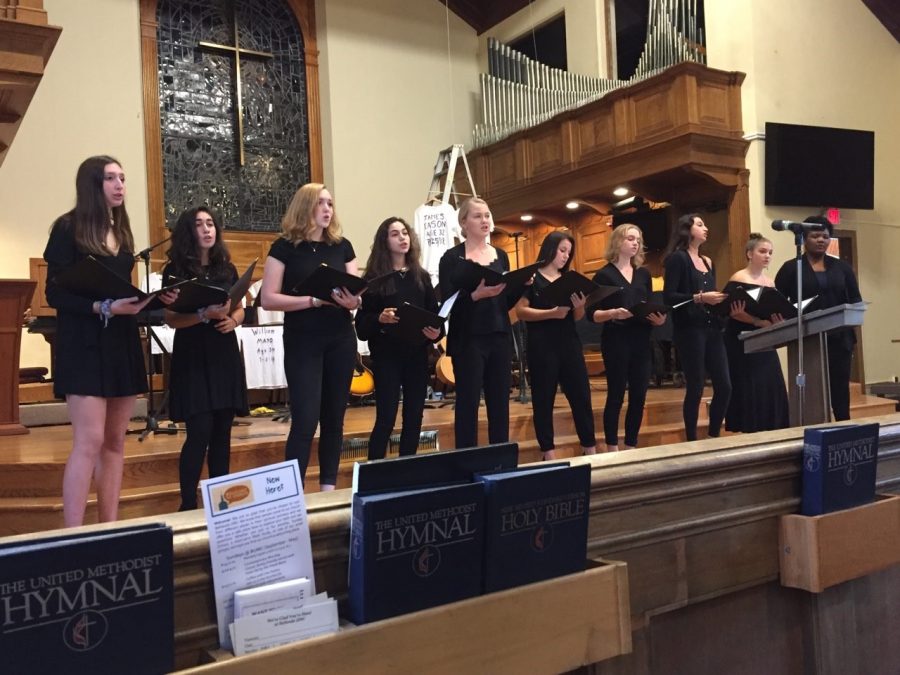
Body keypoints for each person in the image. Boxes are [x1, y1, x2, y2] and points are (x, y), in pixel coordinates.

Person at [43, 155, 178, 527]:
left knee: (115, 443)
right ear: (92, 184)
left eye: (123, 178)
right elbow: (55, 295)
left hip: (119, 342)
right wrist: (102, 306)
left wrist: (149, 301)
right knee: (88, 442)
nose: (120, 185)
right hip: (83, 344)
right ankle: (71, 533)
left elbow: (122, 295)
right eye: (110, 178)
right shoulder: (67, 228)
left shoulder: (123, 233)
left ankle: (109, 527)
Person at [260, 183, 361, 490]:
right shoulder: (284, 247)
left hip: (340, 337)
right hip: (303, 339)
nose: (328, 209)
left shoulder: (342, 246)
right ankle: (294, 491)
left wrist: (353, 301)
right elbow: (268, 299)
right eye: (321, 203)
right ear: (305, 207)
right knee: (305, 420)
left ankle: (328, 489)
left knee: (335, 419)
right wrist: (312, 301)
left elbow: (357, 295)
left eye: (330, 203)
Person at [163, 206, 248, 510]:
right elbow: (171, 318)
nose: (207, 229)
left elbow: (240, 306)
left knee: (222, 432)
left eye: (210, 223)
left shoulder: (227, 268)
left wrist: (234, 320)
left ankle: (220, 503)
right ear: (189, 230)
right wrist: (203, 315)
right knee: (199, 432)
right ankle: (187, 503)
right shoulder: (175, 271)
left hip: (223, 349)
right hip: (194, 352)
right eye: (199, 224)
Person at [355, 217, 442, 460]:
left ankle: (407, 469)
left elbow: (435, 318)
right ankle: (374, 472)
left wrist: (437, 333)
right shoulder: (374, 280)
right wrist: (379, 319)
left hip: (416, 355)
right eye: (395, 234)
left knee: (414, 416)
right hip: (386, 357)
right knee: (386, 417)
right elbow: (361, 327)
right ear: (385, 241)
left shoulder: (421, 276)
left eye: (405, 233)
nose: (403, 238)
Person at [438, 197, 521, 449]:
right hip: (468, 338)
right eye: (478, 216)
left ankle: (501, 461)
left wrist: (519, 286)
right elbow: (447, 302)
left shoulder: (502, 256)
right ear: (463, 223)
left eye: (487, 215)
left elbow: (504, 302)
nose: (485, 221)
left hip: (499, 335)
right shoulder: (451, 258)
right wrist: (475, 295)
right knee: (468, 403)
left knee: (499, 403)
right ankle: (466, 461)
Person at [515, 230, 597, 458]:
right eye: (562, 250)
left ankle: (589, 446)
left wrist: (579, 305)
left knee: (581, 395)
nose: (565, 256)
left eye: (568, 253)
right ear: (550, 249)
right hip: (542, 345)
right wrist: (550, 313)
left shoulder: (569, 279)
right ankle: (547, 451)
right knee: (543, 398)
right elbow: (521, 311)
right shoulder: (532, 278)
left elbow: (577, 317)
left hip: (569, 342)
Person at [774, 215, 862, 421]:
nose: (821, 240)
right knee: (812, 388)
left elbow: (855, 300)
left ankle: (843, 427)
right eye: (815, 236)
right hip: (807, 339)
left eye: (825, 236)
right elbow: (778, 301)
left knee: (840, 388)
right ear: (804, 239)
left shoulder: (842, 267)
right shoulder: (791, 267)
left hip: (840, 338)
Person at [590, 224, 667, 451]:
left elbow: (651, 304)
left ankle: (631, 443)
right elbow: (591, 314)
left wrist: (659, 319)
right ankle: (612, 444)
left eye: (638, 239)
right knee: (616, 394)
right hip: (616, 339)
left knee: (639, 394)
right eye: (630, 238)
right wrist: (614, 313)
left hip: (642, 339)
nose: (635, 243)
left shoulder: (643, 274)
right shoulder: (604, 274)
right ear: (618, 242)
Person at [663, 213, 732, 441]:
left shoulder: (707, 261)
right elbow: (670, 297)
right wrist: (700, 298)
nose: (706, 228)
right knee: (696, 385)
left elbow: (710, 298)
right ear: (687, 229)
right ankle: (691, 439)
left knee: (724, 385)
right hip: (689, 329)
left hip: (711, 327)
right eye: (700, 224)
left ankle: (713, 434)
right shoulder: (678, 259)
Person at [724, 233, 790, 432]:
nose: (767, 256)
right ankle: (749, 425)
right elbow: (734, 311)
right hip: (741, 337)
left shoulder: (770, 282)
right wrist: (758, 321)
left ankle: (773, 424)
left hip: (765, 337)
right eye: (762, 251)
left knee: (771, 379)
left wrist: (777, 322)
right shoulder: (738, 278)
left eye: (770, 252)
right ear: (749, 254)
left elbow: (775, 310)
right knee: (749, 381)